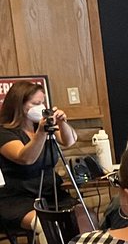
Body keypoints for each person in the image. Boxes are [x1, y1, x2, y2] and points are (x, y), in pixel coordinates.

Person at [0, 80, 77, 231]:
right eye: (35, 104)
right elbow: (25, 158)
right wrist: (41, 133)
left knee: (83, 218)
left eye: (42, 103)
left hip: (51, 194)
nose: (40, 107)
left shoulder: (40, 125)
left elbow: (69, 141)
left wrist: (62, 123)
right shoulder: (4, 132)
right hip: (18, 198)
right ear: (19, 105)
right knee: (48, 226)